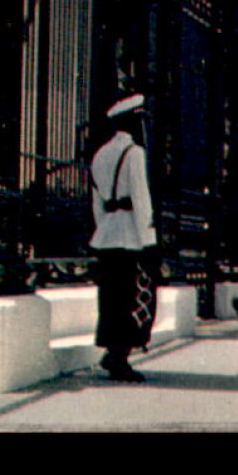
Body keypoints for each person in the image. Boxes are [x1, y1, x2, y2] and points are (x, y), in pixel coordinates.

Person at [89, 93, 158, 383]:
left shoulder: (100, 153)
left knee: (110, 299)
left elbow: (97, 201)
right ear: (131, 121)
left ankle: (112, 351)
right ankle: (120, 358)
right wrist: (149, 238)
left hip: (106, 235)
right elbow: (141, 198)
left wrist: (103, 227)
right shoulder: (135, 153)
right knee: (134, 297)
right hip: (132, 236)